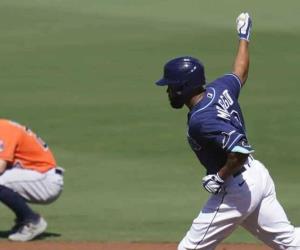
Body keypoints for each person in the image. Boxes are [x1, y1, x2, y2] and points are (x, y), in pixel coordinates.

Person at [155, 12, 300, 249]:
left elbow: (240, 150)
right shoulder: (219, 88)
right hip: (258, 177)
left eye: (171, 87)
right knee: (290, 242)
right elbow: (240, 72)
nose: (168, 92)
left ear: (183, 87)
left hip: (237, 187)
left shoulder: (202, 120)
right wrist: (244, 36)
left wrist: (219, 176)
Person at [0, 119, 64, 242]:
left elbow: (0, 166)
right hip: (34, 177)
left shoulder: (3, 129)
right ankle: (23, 222)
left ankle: (32, 220)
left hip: (45, 181)